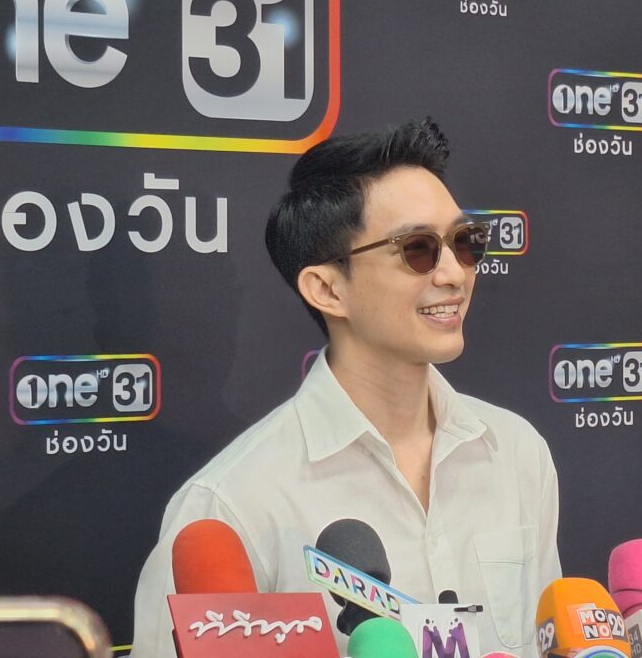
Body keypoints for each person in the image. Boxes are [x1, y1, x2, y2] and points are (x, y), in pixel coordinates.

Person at [131, 118, 561, 657]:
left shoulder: (517, 453)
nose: (454, 274)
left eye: (465, 242)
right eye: (418, 249)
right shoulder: (231, 504)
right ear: (327, 289)